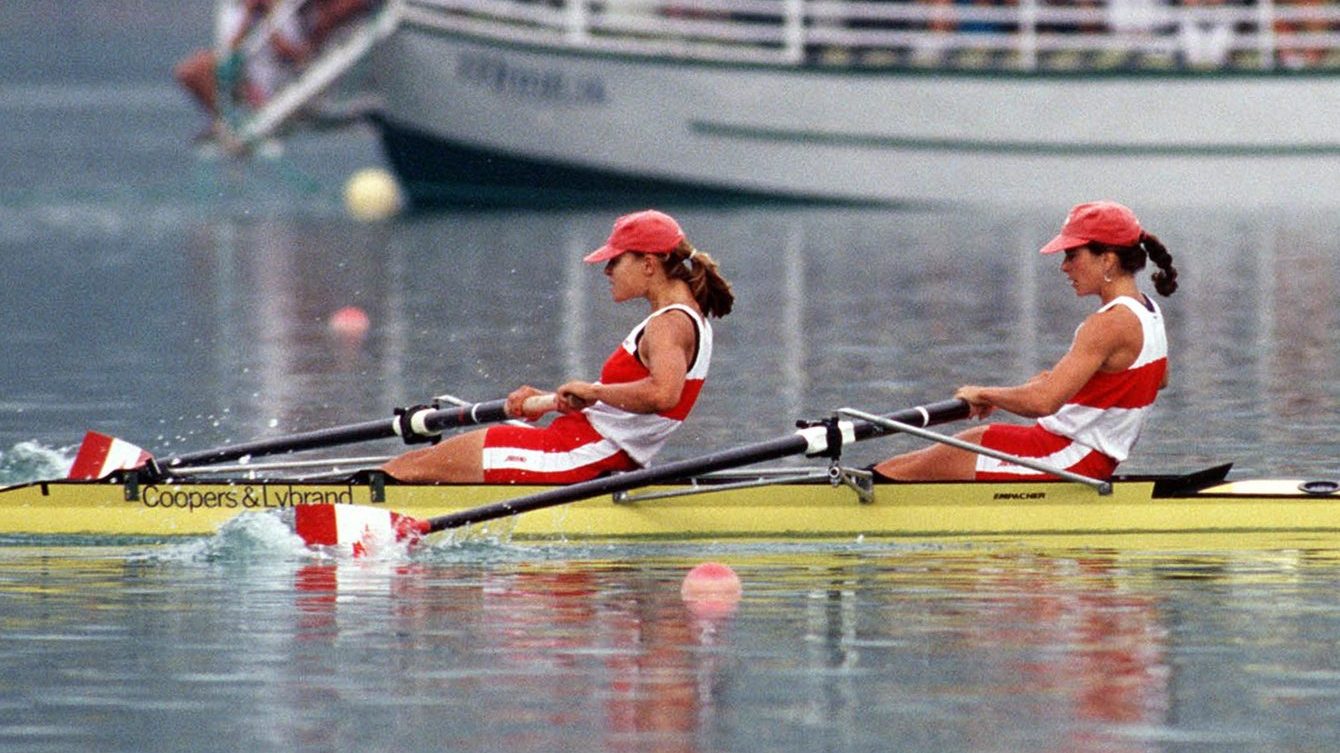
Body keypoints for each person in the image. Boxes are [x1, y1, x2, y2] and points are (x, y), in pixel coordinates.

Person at [382, 210, 735, 484]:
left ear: (648, 263)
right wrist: (552, 400)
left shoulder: (669, 324)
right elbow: (625, 406)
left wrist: (593, 391)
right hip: (583, 445)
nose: (607, 270)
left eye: (615, 260)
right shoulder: (686, 319)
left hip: (581, 455)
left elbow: (663, 395)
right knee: (424, 467)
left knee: (405, 469)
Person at [873, 200, 1179, 482]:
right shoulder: (1148, 311)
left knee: (898, 472)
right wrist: (1064, 382)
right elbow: (1156, 379)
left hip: (1064, 460)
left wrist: (984, 394)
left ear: (1108, 260)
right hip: (1080, 456)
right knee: (898, 467)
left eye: (1073, 255)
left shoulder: (1106, 324)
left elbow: (1043, 403)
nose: (1064, 266)